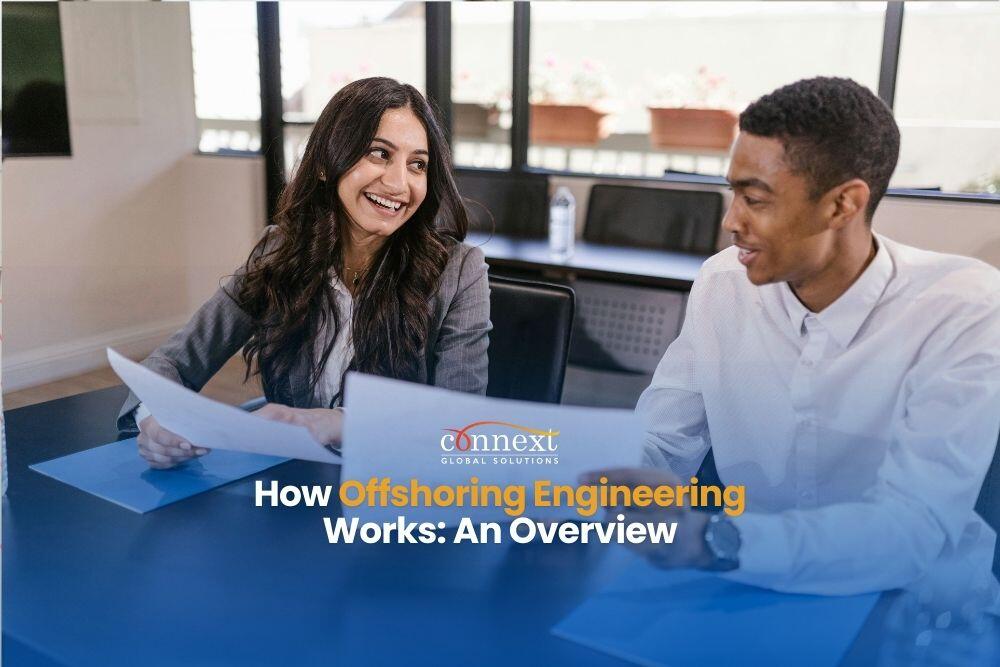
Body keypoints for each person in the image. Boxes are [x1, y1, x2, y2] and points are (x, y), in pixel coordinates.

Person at [592, 77, 1000, 596]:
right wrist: (581, 484)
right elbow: (664, 440)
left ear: (842, 205)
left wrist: (716, 540)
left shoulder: (963, 305)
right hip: (748, 581)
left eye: (755, 199)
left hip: (913, 603)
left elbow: (910, 527)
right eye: (732, 193)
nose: (730, 222)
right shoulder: (723, 283)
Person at [118, 77, 491, 469]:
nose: (399, 183)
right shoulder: (279, 249)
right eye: (379, 154)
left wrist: (339, 423)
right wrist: (155, 419)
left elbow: (460, 424)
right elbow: (175, 362)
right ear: (327, 164)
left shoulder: (460, 272)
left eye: (417, 164)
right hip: (289, 487)